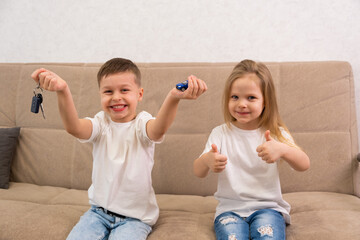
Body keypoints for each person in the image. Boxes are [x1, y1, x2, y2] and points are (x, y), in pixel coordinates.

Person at [31, 58, 207, 240]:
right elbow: (74, 127)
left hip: (135, 219)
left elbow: (158, 129)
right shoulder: (100, 123)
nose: (116, 97)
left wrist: (173, 98)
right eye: (108, 91)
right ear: (100, 95)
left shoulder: (142, 123)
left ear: (139, 94)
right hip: (98, 214)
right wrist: (63, 90)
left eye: (124, 90)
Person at [193, 59, 310, 240]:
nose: (241, 104)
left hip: (268, 209)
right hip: (229, 211)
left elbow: (304, 164)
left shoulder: (276, 132)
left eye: (251, 98)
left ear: (265, 102)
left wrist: (283, 150)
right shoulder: (220, 133)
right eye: (235, 97)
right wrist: (207, 160)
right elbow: (198, 171)